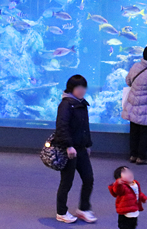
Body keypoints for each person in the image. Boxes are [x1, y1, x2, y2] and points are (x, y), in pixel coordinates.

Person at [52, 75, 97, 224]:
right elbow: (62, 127)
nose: (82, 91)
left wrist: (88, 144)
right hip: (69, 150)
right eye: (79, 88)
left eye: (84, 87)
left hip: (81, 148)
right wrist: (68, 146)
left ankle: (83, 209)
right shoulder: (66, 105)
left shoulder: (82, 104)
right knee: (67, 182)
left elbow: (85, 127)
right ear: (71, 88)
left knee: (88, 178)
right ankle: (61, 212)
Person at [121, 44, 147, 165]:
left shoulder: (136, 66)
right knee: (144, 134)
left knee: (134, 132)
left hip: (133, 105)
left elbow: (128, 81)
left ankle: (133, 155)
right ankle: (141, 157)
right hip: (146, 108)